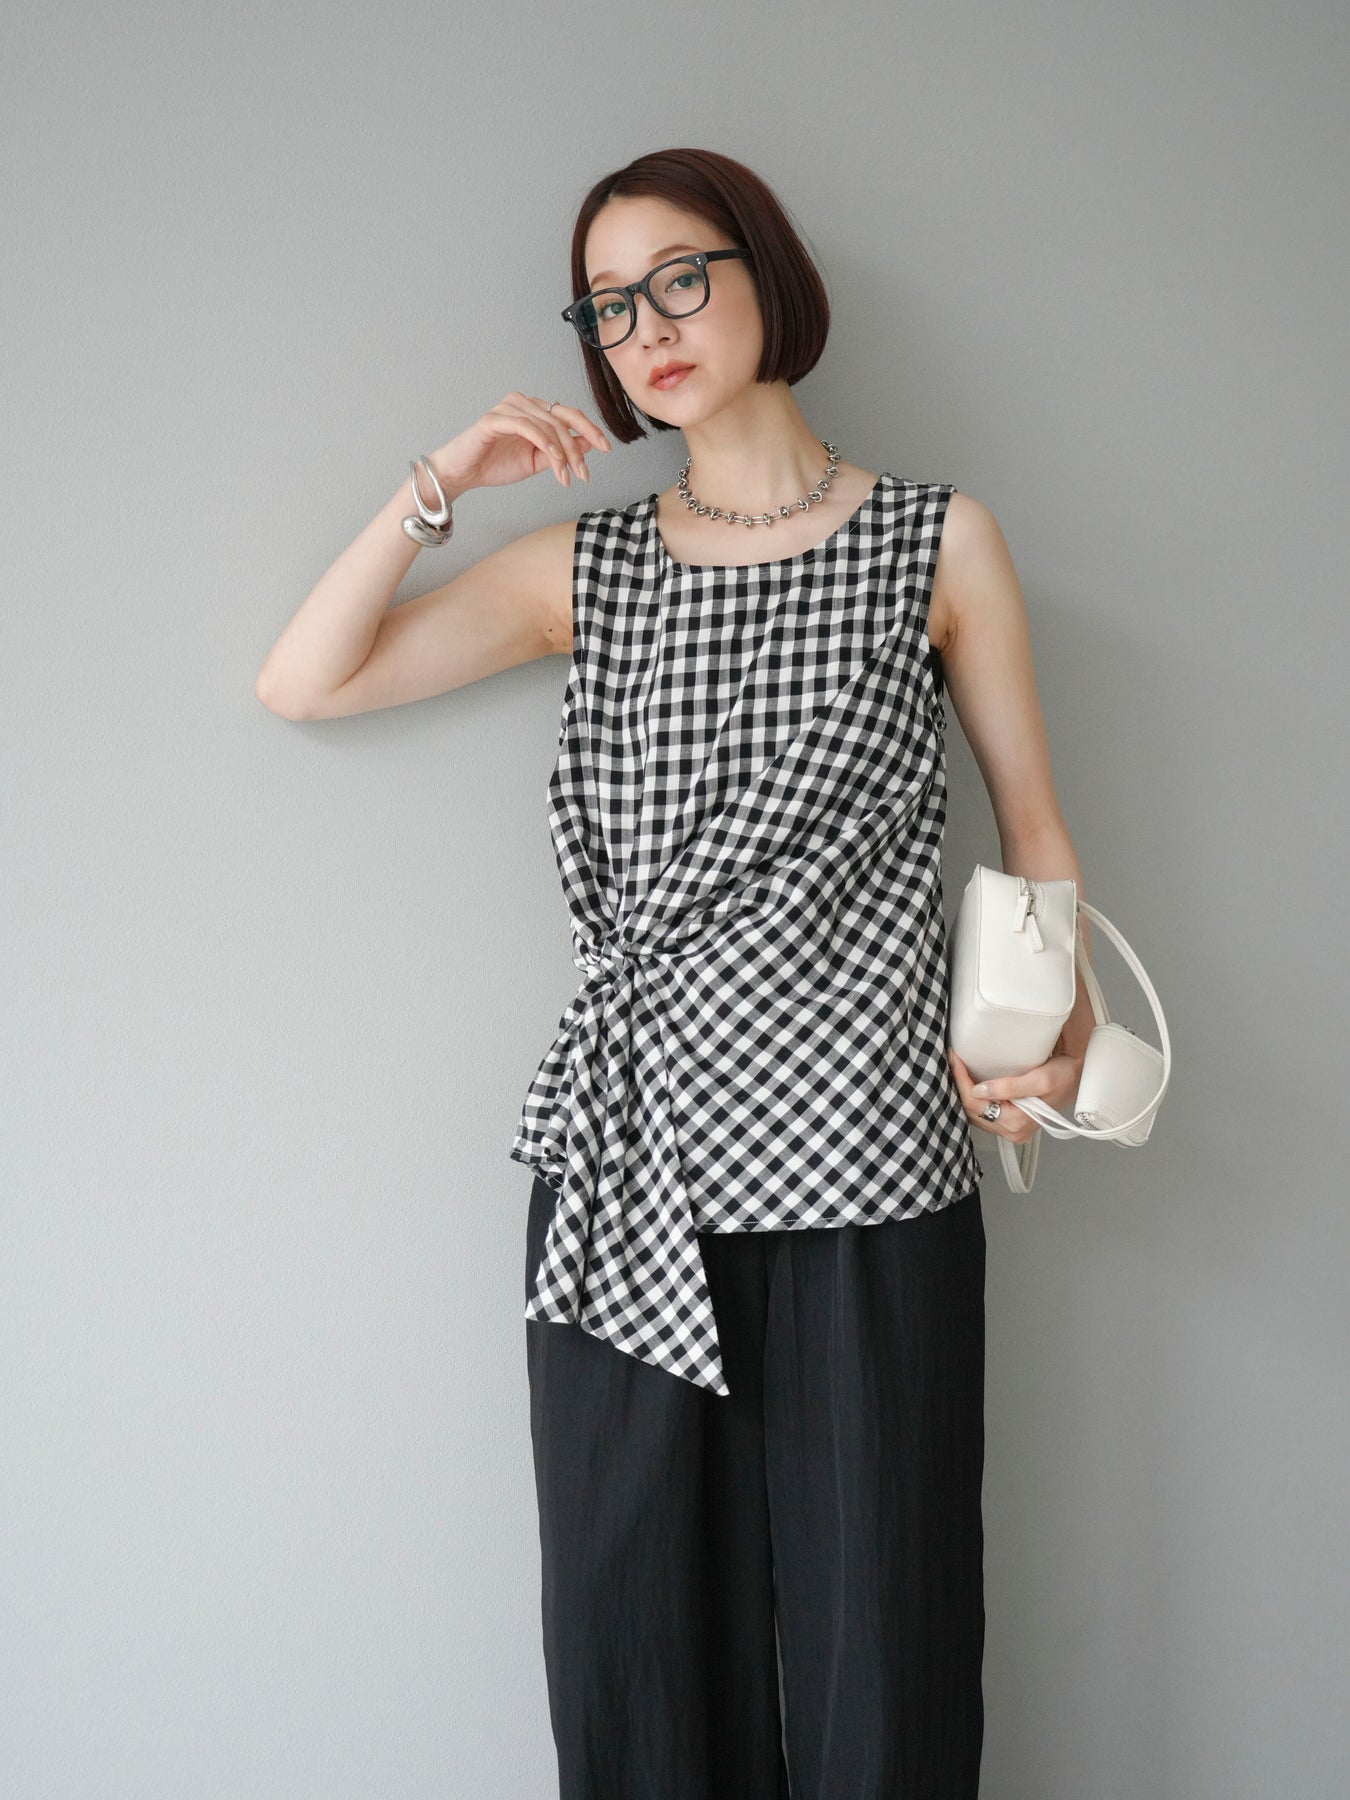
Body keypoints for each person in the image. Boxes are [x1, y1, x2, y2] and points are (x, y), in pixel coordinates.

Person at [256, 145, 1098, 1800]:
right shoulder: (587, 567)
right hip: (630, 1165)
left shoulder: (935, 541)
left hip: (866, 1164)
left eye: (678, 278)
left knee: (885, 1654)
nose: (644, 327)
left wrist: (1055, 1038)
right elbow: (305, 681)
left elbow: (1034, 834)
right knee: (633, 1651)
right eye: (605, 305)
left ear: (763, 273)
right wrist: (440, 480)